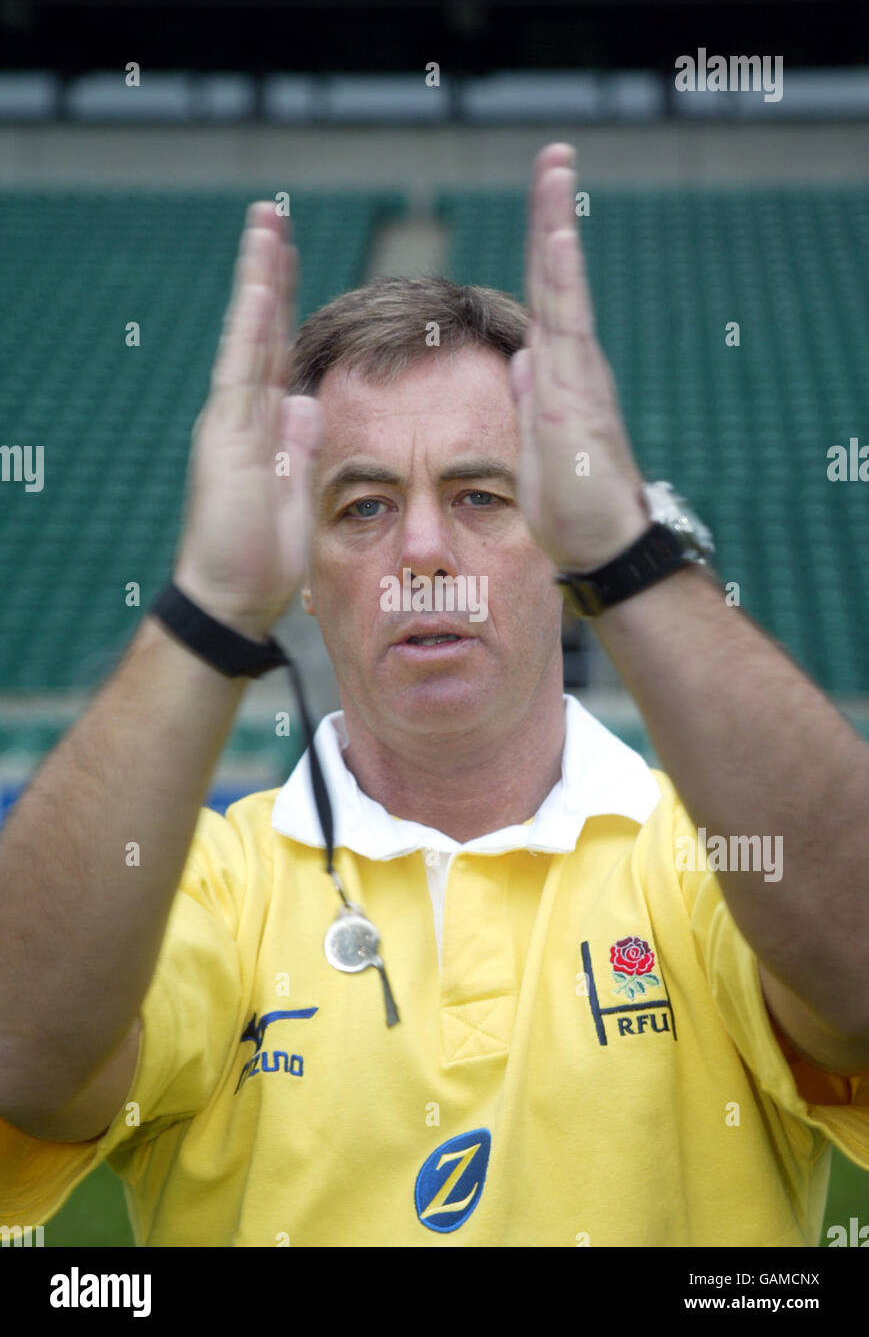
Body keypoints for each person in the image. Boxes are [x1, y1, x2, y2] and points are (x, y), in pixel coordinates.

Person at [1, 144, 867, 1247]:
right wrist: (209, 602)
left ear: (559, 540)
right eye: (361, 507)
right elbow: (25, 1056)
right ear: (304, 576)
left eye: (480, 494)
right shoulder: (212, 887)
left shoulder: (703, 862)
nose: (421, 549)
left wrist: (626, 553)